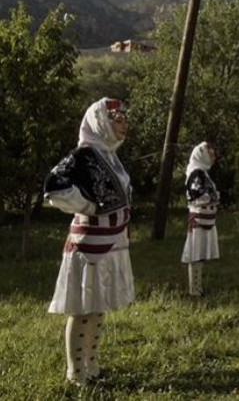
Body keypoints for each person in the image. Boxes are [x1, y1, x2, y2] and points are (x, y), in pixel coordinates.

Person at [44, 98, 134, 386]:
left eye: (123, 119)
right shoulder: (84, 154)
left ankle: (92, 367)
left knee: (98, 306)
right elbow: (54, 185)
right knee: (83, 309)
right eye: (117, 119)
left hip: (112, 241)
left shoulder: (109, 155)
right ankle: (75, 372)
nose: (123, 125)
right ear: (101, 122)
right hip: (90, 244)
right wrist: (87, 206)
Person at [181, 142, 220, 297]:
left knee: (200, 254)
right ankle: (194, 290)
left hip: (206, 219)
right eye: (210, 154)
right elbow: (197, 194)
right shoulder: (195, 173)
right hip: (198, 219)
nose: (213, 158)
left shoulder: (203, 173)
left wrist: (213, 196)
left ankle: (198, 288)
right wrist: (213, 197)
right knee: (196, 254)